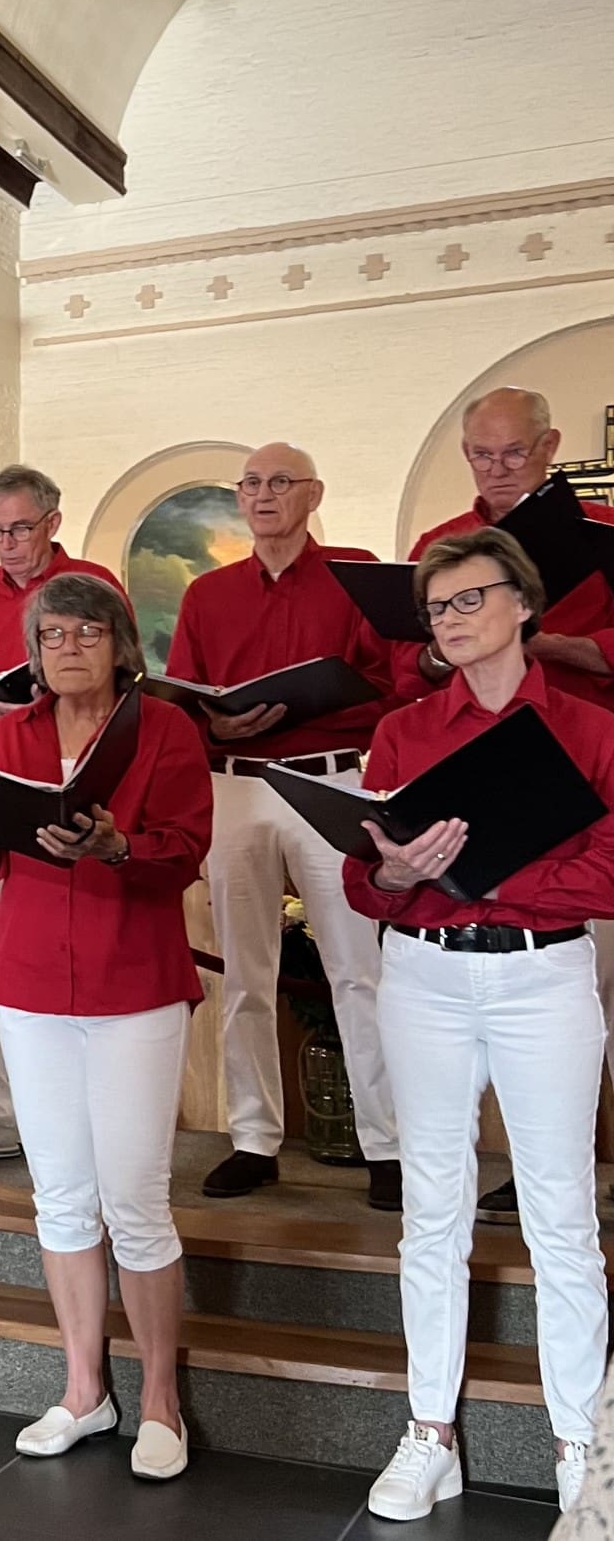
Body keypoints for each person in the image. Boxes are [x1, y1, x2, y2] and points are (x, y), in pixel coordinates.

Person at [343, 529, 613, 1522]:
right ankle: (430, 1431)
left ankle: (582, 1448)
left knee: (562, 1217)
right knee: (432, 1209)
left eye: (469, 599)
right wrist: (393, 872)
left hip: (545, 976)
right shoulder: (404, 730)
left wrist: (488, 873)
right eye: (437, 607)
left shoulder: (589, 728)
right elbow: (362, 881)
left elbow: (611, 869)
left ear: (524, 603)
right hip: (425, 975)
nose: (450, 620)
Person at [0, 572, 211, 1483]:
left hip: (133, 980)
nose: (68, 647)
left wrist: (116, 845)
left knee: (134, 1197)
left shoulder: (165, 729)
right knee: (58, 1195)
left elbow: (185, 850)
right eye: (52, 634)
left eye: (86, 632)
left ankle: (162, 1401)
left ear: (120, 645)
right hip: (28, 983)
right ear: (34, 650)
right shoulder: (11, 734)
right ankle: (84, 1388)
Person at [166, 444, 401, 1207]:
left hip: (332, 777)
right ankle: (253, 1138)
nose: (263, 495)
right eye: (251, 484)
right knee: (245, 972)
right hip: (236, 783)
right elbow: (182, 698)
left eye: (279, 482)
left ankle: (388, 1144)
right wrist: (215, 727)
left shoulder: (354, 572)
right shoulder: (208, 593)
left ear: (313, 494)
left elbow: (389, 681)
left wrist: (319, 701)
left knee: (357, 968)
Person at [405, 387, 614, 1223]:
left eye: (514, 453)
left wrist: (554, 645)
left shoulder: (597, 531)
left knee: (593, 984)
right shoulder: (442, 546)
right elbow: (407, 665)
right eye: (481, 455)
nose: (496, 469)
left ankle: (575, 1164)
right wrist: (439, 651)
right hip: (475, 769)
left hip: (581, 765)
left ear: (550, 445)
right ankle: (530, 1162)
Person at [0, 464, 127, 1170]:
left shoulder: (91, 585)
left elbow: (126, 682)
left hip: (68, 759)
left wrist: (34, 708)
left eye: (20, 528)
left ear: (53, 523)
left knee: (71, 932)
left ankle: (78, 1107)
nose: (7, 543)